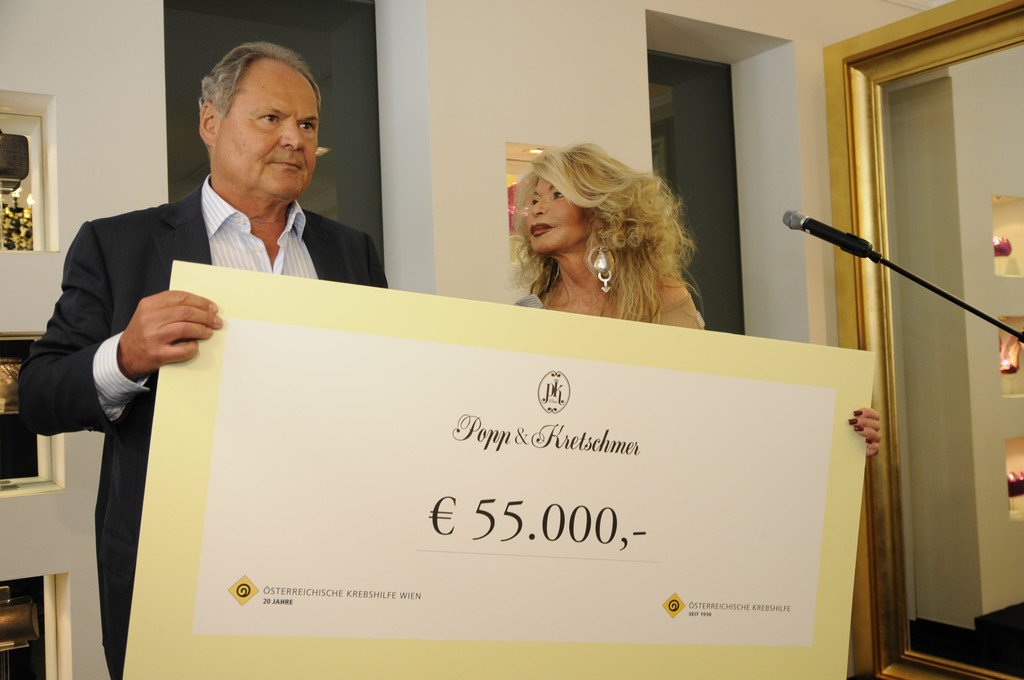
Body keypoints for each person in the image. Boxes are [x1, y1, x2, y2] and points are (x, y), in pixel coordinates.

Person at [18, 42, 386, 680]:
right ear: (210, 122)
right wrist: (125, 356)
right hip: (178, 568)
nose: (295, 139)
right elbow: (39, 395)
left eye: (308, 124)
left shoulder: (352, 252)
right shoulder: (118, 244)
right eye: (271, 118)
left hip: (326, 557)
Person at [512, 143, 881, 454]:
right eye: (534, 200)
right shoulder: (528, 317)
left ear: (599, 210)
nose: (537, 209)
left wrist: (835, 430)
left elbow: (714, 404)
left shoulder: (664, 298)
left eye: (557, 195)